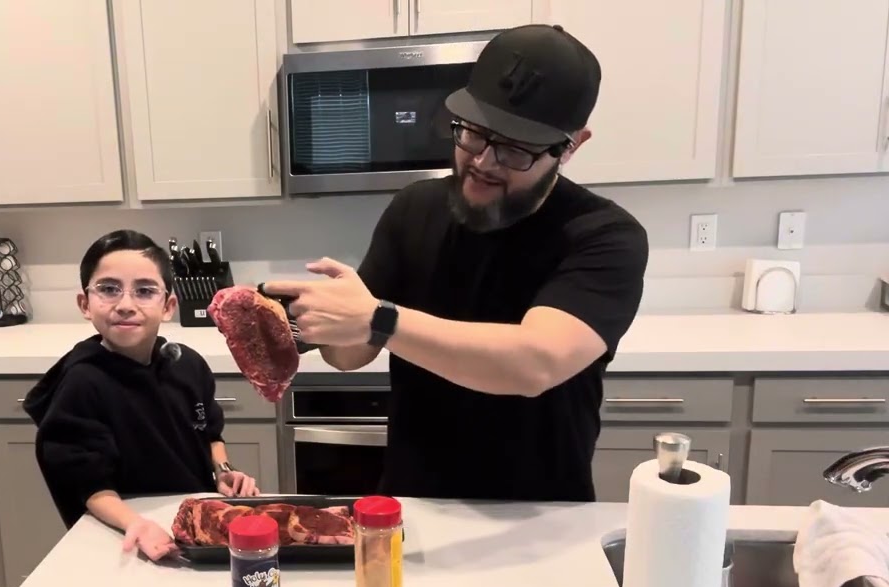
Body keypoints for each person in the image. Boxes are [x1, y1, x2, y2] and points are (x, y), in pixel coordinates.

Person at [263, 25, 649, 503]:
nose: (483, 161)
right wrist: (322, 321)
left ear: (571, 146)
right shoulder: (414, 208)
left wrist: (379, 320)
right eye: (473, 133)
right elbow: (349, 356)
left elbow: (535, 363)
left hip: (543, 511)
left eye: (514, 149)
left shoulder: (604, 236)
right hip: (413, 504)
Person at [23, 230, 260, 560]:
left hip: (188, 527)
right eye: (109, 289)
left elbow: (210, 434)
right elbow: (89, 485)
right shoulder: (81, 383)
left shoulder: (188, 365)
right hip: (122, 532)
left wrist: (223, 471)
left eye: (145, 291)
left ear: (168, 306)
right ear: (85, 304)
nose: (125, 305)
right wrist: (136, 524)